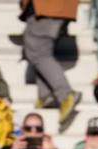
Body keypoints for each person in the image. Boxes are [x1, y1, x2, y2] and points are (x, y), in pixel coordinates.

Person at [19, 0, 82, 131]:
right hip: (55, 8)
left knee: (38, 52)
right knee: (39, 51)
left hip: (47, 7)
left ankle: (65, 94)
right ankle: (45, 95)